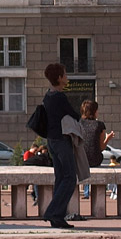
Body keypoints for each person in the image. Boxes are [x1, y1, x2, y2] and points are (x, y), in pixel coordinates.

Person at [38, 63, 78, 229]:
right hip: (61, 140)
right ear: (60, 78)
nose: (67, 76)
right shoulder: (59, 97)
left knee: (61, 178)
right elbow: (73, 114)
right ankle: (53, 213)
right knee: (70, 177)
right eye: (65, 74)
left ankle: (57, 217)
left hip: (52, 141)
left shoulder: (48, 95)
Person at [76, 100, 108, 199]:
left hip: (80, 161)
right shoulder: (99, 125)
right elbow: (101, 148)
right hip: (95, 160)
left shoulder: (77, 123)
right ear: (94, 111)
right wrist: (108, 139)